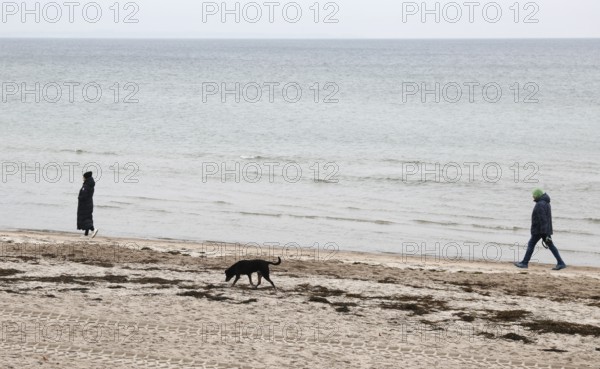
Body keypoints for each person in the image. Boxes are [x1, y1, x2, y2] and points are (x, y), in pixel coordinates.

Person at [514, 189, 566, 270]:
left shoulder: (540, 204)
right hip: (544, 230)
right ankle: (561, 263)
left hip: (540, 231)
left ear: (538, 195)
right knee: (551, 245)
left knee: (531, 244)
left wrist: (544, 232)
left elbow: (543, 219)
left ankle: (524, 263)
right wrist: (546, 232)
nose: (533, 196)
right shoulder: (546, 203)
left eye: (534, 195)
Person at [77, 171, 98, 239]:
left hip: (85, 205)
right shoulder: (90, 185)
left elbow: (83, 196)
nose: (82, 178)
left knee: (85, 218)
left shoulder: (86, 186)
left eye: (83, 177)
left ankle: (93, 230)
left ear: (86, 177)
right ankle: (86, 234)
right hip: (89, 204)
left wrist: (79, 197)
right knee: (88, 218)